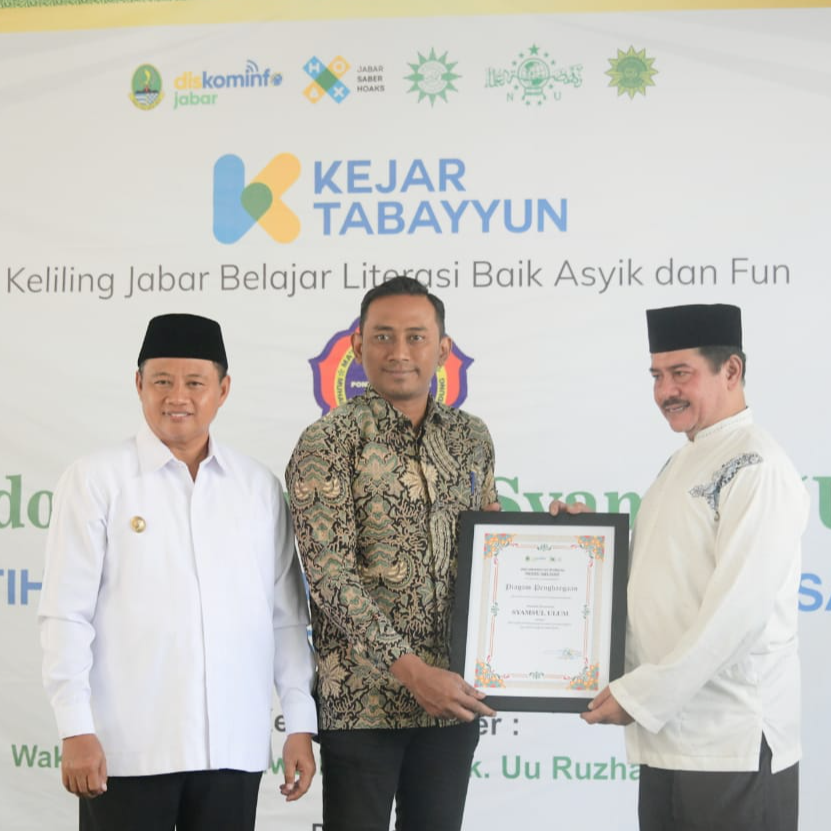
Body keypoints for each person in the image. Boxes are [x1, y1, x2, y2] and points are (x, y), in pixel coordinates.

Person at [39, 313, 317, 831]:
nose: (177, 397)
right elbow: (66, 614)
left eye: (195, 382)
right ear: (138, 384)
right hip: (127, 750)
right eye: (162, 381)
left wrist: (299, 722)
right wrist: (74, 726)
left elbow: (285, 619)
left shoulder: (257, 488)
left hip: (232, 748)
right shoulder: (96, 480)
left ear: (223, 389)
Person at [578, 303, 808, 831]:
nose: (665, 391)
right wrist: (584, 547)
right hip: (669, 739)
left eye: (681, 373)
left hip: (731, 743)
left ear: (732, 370)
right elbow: (666, 574)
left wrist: (640, 697)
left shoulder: (758, 466)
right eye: (657, 376)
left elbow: (738, 615)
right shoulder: (683, 459)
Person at [285, 276, 498, 831]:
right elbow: (330, 578)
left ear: (442, 349)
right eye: (382, 336)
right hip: (364, 704)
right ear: (358, 346)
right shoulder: (327, 442)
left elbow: (493, 549)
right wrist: (413, 673)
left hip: (452, 700)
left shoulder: (471, 438)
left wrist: (556, 534)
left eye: (415, 336)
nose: (399, 352)